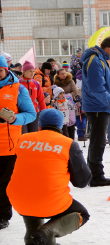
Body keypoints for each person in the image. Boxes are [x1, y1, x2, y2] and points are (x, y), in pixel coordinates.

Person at [6, 109, 92, 245]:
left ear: (39, 124)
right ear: (60, 126)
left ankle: (33, 239)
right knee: (82, 215)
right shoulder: (68, 143)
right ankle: (48, 232)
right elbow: (82, 182)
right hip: (50, 200)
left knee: (31, 200)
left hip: (18, 199)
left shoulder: (23, 139)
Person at [0, 55, 36, 230]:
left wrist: (14, 118)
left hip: (8, 146)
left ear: (6, 70)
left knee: (3, 183)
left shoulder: (18, 89)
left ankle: (3, 215)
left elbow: (31, 114)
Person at [80, 36, 110, 186]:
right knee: (98, 142)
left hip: (99, 106)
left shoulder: (98, 59)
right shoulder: (95, 60)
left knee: (98, 141)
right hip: (98, 106)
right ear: (109, 48)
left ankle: (93, 173)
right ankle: (96, 176)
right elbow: (96, 88)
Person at [20, 61, 47, 133]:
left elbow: (41, 99)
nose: (32, 73)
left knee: (34, 134)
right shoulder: (18, 83)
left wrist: (44, 112)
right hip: (22, 113)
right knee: (24, 135)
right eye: (30, 71)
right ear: (24, 71)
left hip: (34, 112)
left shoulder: (36, 84)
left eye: (33, 71)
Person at [54, 68, 78, 139]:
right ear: (58, 75)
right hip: (60, 105)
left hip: (69, 104)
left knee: (70, 123)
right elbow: (55, 93)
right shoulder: (56, 83)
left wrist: (67, 96)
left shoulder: (70, 81)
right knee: (63, 124)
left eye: (65, 73)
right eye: (62, 74)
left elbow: (75, 91)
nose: (64, 75)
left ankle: (71, 139)